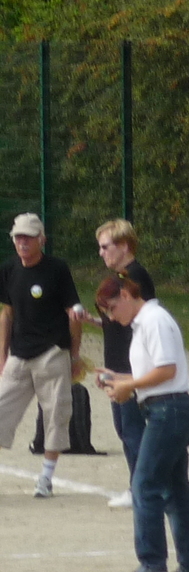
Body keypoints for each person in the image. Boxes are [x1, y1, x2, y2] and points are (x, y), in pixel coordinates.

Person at [94, 275, 189, 572]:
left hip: (169, 410)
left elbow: (167, 370)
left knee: (144, 484)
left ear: (129, 294)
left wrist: (128, 384)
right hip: (166, 408)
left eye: (113, 307)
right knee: (175, 490)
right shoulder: (145, 323)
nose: (113, 316)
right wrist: (119, 378)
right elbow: (154, 372)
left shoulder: (154, 320)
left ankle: (152, 562)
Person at [73, 219, 156, 509]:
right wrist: (94, 320)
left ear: (123, 246)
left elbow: (139, 322)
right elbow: (119, 323)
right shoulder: (123, 275)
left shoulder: (135, 277)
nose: (101, 252)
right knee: (125, 428)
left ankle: (142, 489)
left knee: (133, 429)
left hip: (128, 367)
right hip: (117, 364)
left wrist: (131, 373)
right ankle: (142, 486)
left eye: (106, 246)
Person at [0, 213, 83, 499]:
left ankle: (46, 478)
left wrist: (74, 354)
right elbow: (7, 314)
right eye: (18, 237)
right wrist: (2, 355)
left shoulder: (57, 270)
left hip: (51, 353)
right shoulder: (9, 269)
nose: (22, 242)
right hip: (19, 355)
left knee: (56, 416)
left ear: (41, 240)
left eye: (28, 237)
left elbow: (73, 313)